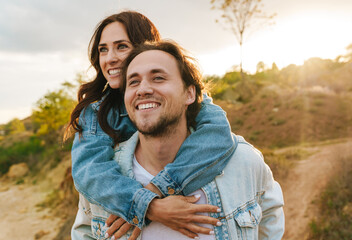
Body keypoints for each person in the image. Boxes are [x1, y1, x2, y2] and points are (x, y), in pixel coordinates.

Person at [72, 41, 285, 240]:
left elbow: (271, 220)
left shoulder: (243, 162)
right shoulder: (104, 182)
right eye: (134, 82)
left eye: (158, 78)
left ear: (189, 94)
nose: (143, 89)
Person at [67, 11, 237, 239]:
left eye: (121, 46)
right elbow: (90, 172)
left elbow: (217, 137)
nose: (110, 58)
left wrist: (156, 188)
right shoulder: (96, 114)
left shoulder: (181, 97)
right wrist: (150, 207)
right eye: (103, 49)